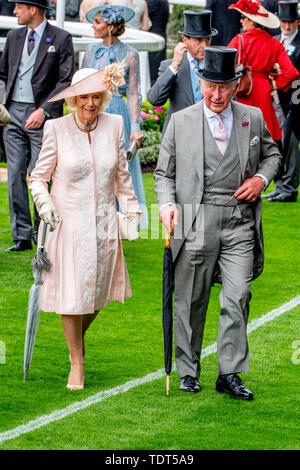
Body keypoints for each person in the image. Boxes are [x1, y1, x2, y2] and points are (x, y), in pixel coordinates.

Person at [154, 46, 282, 399]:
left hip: (239, 223)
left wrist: (261, 180)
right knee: (191, 300)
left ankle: (229, 373)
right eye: (210, 85)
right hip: (194, 221)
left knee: (238, 295)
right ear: (201, 81)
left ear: (236, 84)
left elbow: (273, 155)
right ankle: (188, 370)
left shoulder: (252, 118)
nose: (216, 94)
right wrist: (166, 205)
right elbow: (164, 173)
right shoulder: (180, 121)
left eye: (224, 86)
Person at [29, 64, 142, 390]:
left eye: (96, 96)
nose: (90, 104)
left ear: (104, 97)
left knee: (96, 295)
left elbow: (122, 175)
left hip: (104, 224)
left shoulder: (115, 124)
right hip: (67, 225)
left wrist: (132, 212)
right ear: (74, 99)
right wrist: (44, 202)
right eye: (84, 97)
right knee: (73, 295)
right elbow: (38, 177)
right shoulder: (57, 129)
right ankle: (76, 362)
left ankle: (74, 343)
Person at [0, 0, 74, 252]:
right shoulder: (13, 36)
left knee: (40, 176)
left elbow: (66, 81)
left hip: (43, 117)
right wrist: (2, 105)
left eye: (19, 7)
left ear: (34, 9)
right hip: (12, 116)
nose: (14, 11)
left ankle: (40, 230)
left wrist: (43, 111)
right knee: (15, 175)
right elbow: (2, 75)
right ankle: (21, 235)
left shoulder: (61, 38)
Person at [81, 4, 148, 228]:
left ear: (110, 27)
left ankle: (115, 220)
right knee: (90, 164)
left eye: (97, 22)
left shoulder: (130, 54)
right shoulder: (90, 51)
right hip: (92, 111)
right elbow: (80, 85)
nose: (93, 26)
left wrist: (136, 126)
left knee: (116, 167)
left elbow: (133, 92)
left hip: (117, 113)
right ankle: (89, 216)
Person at [228, 0, 299, 145]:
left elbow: (222, 67)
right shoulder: (274, 44)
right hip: (265, 95)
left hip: (243, 93)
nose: (240, 21)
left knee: (241, 139)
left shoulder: (238, 40)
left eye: (243, 17)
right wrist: (275, 82)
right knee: (266, 139)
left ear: (252, 22)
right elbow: (291, 73)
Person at [148, 9, 218, 136]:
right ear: (185, 39)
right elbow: (154, 99)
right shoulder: (169, 65)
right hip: (178, 137)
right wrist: (175, 65)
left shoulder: (217, 66)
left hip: (210, 136)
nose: (204, 45)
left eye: (207, 40)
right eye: (198, 40)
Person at [267, 0, 300, 202]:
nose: (287, 26)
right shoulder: (276, 40)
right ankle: (281, 185)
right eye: (283, 22)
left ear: (298, 22)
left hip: (295, 100)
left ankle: (289, 187)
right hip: (276, 100)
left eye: (291, 22)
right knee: (279, 143)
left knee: (291, 142)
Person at [146, 0, 170, 87]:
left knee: (153, 70)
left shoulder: (154, 2)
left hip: (153, 37)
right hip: (161, 33)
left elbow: (143, 11)